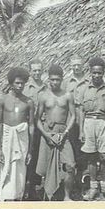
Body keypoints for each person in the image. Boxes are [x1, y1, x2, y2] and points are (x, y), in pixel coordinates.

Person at [79, 57, 105, 201]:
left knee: (104, 156)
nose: (96, 76)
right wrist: (82, 131)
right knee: (91, 156)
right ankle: (93, 187)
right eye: (94, 73)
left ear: (103, 73)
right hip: (89, 123)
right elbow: (81, 112)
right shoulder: (84, 89)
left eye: (99, 73)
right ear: (90, 72)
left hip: (104, 123)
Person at [36, 64, 76, 201]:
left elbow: (73, 116)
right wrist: (46, 135)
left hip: (63, 134)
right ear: (48, 79)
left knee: (70, 165)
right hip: (48, 133)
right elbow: (37, 120)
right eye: (52, 79)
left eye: (57, 80)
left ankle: (66, 196)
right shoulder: (43, 96)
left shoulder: (67, 96)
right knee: (46, 165)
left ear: (62, 79)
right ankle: (48, 196)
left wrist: (65, 132)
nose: (54, 82)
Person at [0, 67, 35, 201]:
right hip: (7, 137)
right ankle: (6, 198)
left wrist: (30, 150)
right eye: (17, 83)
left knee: (20, 168)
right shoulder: (2, 100)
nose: (20, 86)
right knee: (6, 166)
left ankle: (18, 196)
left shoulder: (28, 102)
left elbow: (31, 125)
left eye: (22, 83)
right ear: (11, 83)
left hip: (22, 138)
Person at [61, 54, 89, 188]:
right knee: (71, 143)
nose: (77, 67)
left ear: (83, 65)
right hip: (70, 115)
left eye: (79, 65)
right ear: (70, 66)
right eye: (74, 65)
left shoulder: (88, 81)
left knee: (83, 144)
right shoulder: (66, 82)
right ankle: (70, 174)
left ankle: (83, 175)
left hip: (84, 114)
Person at [23, 59, 47, 200]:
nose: (37, 73)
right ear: (30, 71)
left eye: (39, 70)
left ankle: (35, 186)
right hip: (28, 126)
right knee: (28, 155)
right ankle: (26, 186)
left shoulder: (47, 87)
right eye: (34, 70)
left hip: (42, 127)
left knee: (38, 156)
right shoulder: (25, 88)